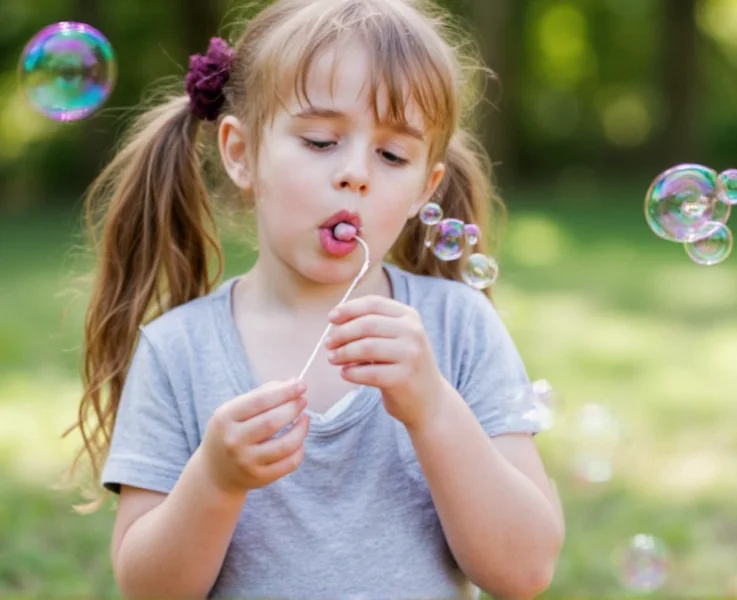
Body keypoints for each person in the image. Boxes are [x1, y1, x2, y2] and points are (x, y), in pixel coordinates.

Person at [64, 0, 565, 597]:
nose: (356, 173)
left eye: (392, 155)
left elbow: (525, 572)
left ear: (423, 189)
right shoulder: (179, 351)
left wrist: (433, 408)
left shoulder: (457, 327)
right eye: (322, 140)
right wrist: (216, 482)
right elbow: (150, 590)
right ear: (241, 153)